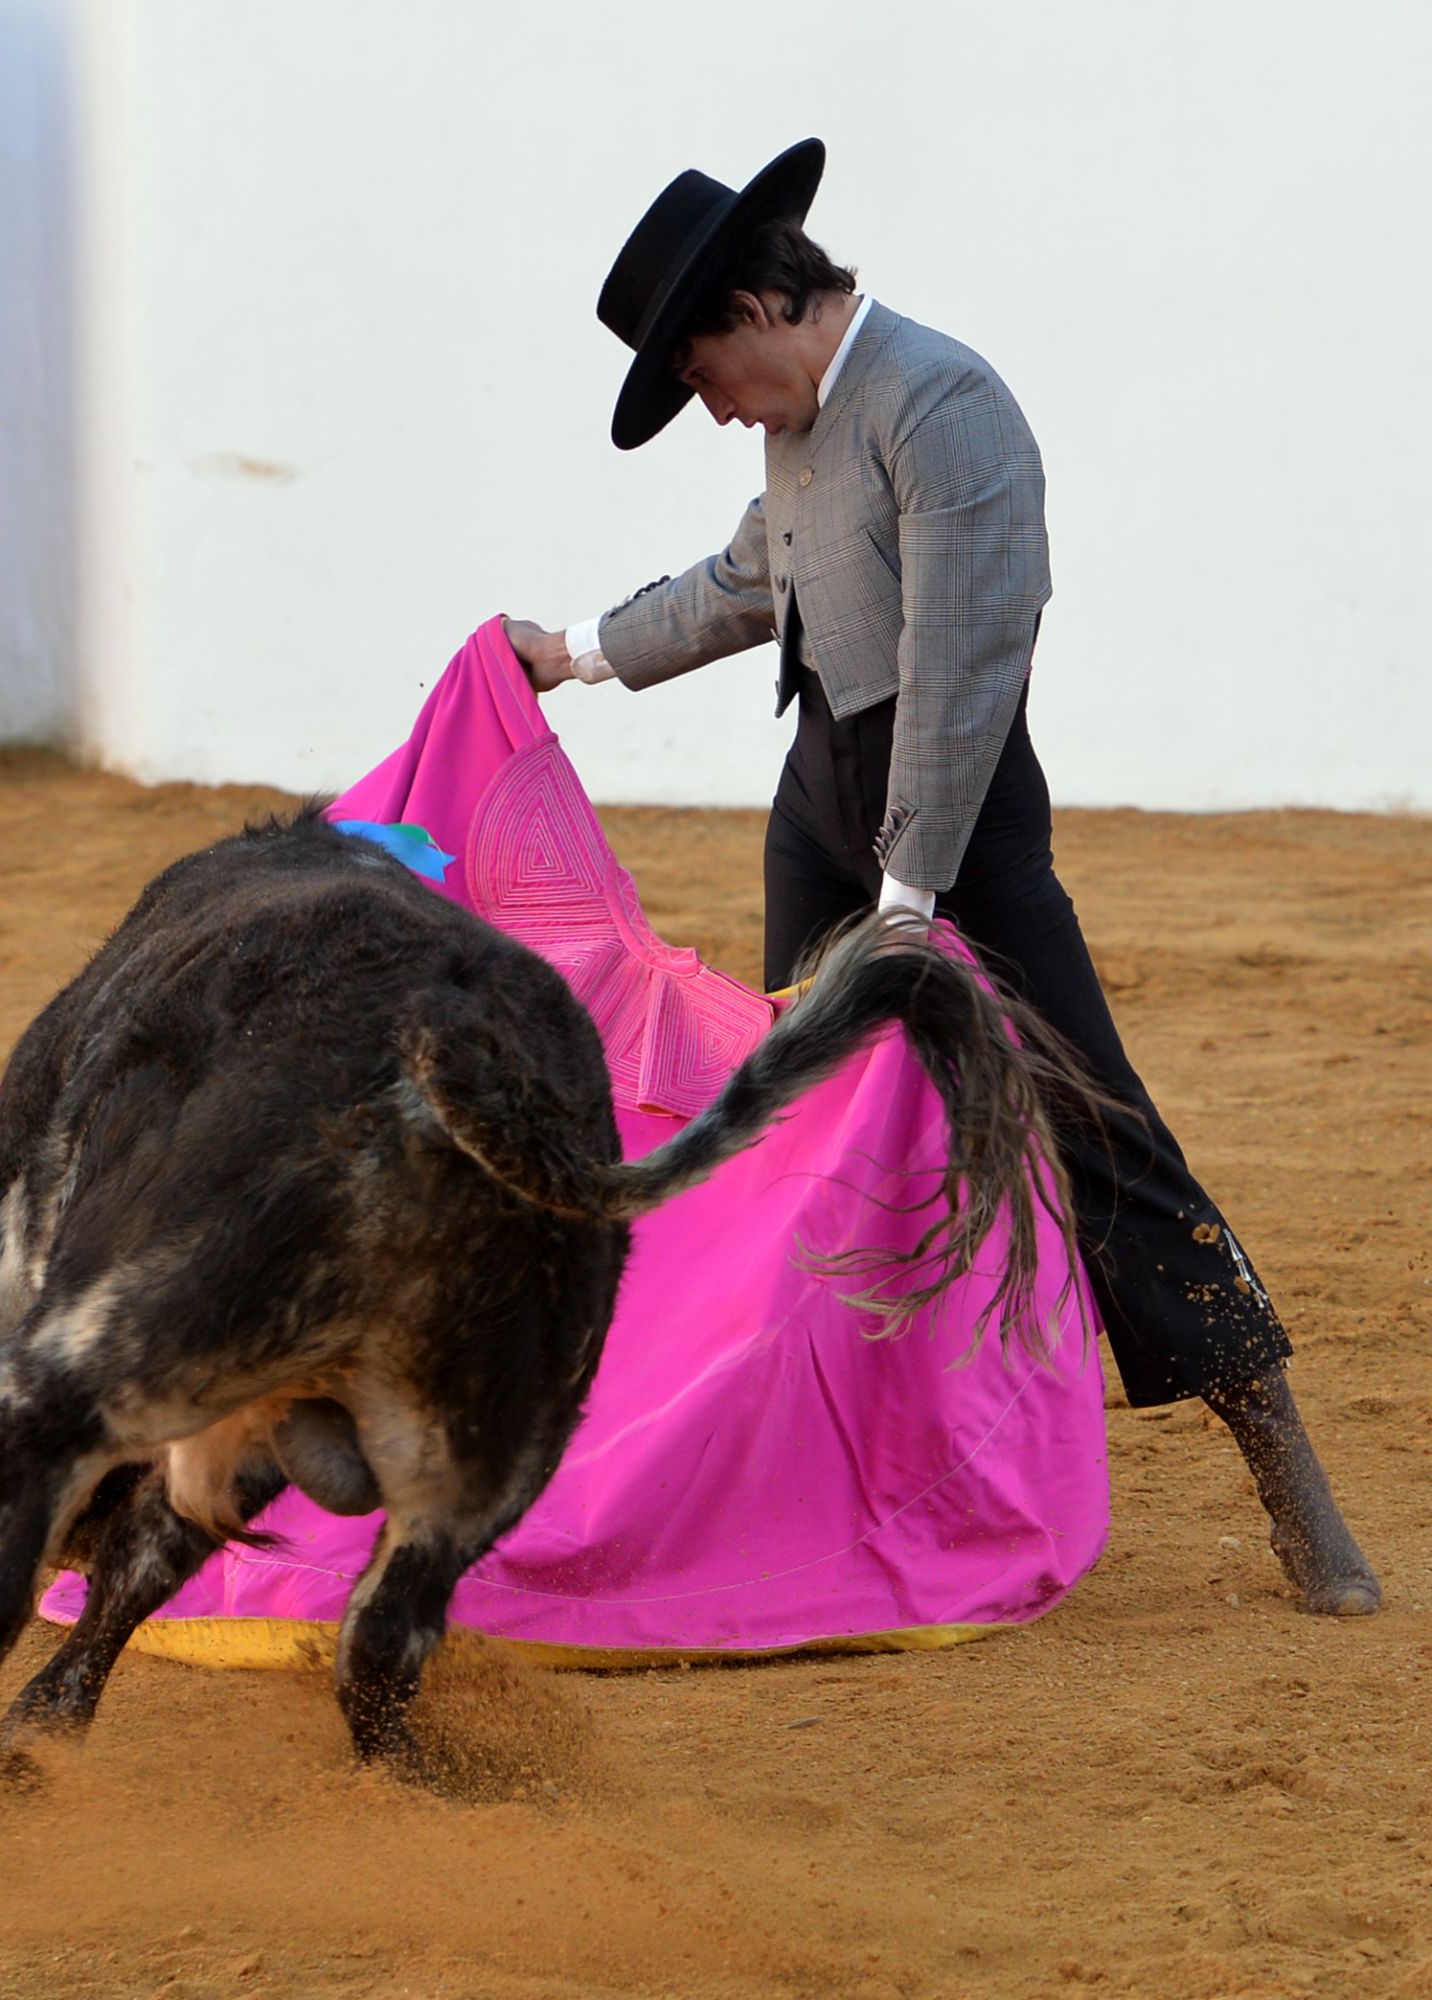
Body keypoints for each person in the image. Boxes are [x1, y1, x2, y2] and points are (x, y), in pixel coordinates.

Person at [505, 137, 1379, 1616]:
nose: (712, 405)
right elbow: (746, 582)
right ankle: (828, 1486)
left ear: (762, 307)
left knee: (1095, 1128)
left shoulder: (944, 401)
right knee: (809, 1131)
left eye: (702, 369)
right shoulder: (804, 420)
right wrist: (580, 657)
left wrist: (910, 902)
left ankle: (1288, 1475)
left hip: (956, 829)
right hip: (822, 804)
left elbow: (964, 667)